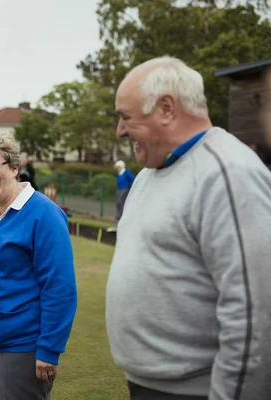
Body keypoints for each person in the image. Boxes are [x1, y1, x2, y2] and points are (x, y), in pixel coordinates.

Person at [106, 56, 271, 400]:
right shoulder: (148, 175)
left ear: (166, 108)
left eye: (126, 117)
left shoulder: (228, 173)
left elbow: (255, 316)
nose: (120, 131)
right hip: (147, 386)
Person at [0, 130, 77, 400]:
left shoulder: (44, 214)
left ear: (14, 167)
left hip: (19, 346)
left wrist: (49, 349)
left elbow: (59, 288)